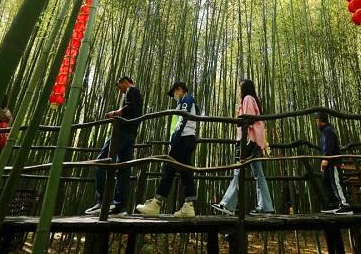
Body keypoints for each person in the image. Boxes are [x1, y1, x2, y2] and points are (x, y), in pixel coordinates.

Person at [136, 82, 198, 218]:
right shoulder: (183, 101)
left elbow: (182, 120)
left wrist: (174, 140)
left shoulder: (186, 99)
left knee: (169, 170)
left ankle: (156, 204)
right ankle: (189, 205)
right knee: (185, 173)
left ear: (180, 89)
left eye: (175, 92)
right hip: (187, 139)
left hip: (182, 140)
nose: (174, 96)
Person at [212, 79, 274, 216]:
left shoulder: (247, 99)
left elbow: (248, 120)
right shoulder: (253, 99)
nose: (239, 91)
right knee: (258, 174)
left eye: (240, 88)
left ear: (244, 89)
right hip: (255, 141)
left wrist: (243, 131)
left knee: (238, 171)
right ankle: (266, 207)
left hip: (249, 141)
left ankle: (227, 204)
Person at [85, 76, 142, 216]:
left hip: (121, 133)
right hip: (131, 134)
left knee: (101, 162)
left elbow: (129, 107)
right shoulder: (137, 94)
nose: (119, 89)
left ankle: (103, 201)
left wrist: (114, 113)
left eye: (119, 86)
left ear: (125, 82)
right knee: (123, 169)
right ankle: (119, 207)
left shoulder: (131, 90)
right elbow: (132, 109)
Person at [315, 112, 353, 215]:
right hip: (328, 161)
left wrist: (326, 158)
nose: (316, 124)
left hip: (333, 162)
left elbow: (329, 146)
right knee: (327, 183)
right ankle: (334, 204)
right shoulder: (325, 131)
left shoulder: (328, 131)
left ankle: (345, 205)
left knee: (336, 183)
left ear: (319, 120)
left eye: (316, 121)